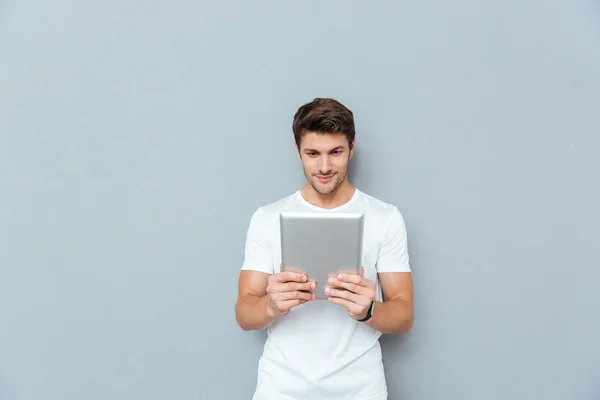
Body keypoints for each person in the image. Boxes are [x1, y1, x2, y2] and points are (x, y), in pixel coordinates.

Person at [235, 98, 414, 400]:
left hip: (360, 389)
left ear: (352, 148)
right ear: (297, 152)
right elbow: (244, 313)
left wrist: (368, 310)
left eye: (336, 152)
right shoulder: (266, 218)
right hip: (281, 388)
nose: (325, 167)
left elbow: (404, 314)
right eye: (313, 153)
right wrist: (271, 305)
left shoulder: (385, 217)